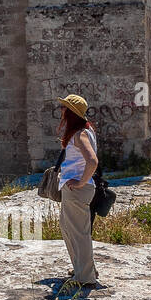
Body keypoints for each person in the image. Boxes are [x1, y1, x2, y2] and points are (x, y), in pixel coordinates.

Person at [56, 94, 99, 289]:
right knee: (70, 229)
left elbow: (92, 161)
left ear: (72, 112)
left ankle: (84, 277)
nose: (61, 111)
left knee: (78, 233)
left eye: (64, 108)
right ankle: (82, 268)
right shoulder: (86, 131)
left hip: (77, 191)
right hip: (74, 190)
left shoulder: (80, 134)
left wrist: (81, 183)